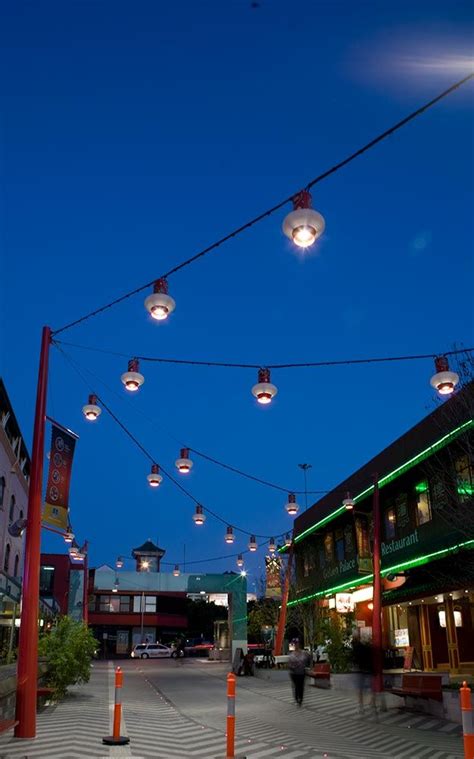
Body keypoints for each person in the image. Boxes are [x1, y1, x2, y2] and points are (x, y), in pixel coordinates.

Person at [288, 640, 310, 706]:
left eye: (297, 644)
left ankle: (300, 699)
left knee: (301, 686)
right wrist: (293, 666)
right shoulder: (292, 655)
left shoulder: (304, 653)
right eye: (295, 644)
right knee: (296, 686)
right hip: (294, 673)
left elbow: (308, 659)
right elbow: (289, 664)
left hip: (301, 672)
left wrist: (306, 666)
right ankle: (297, 699)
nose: (296, 645)